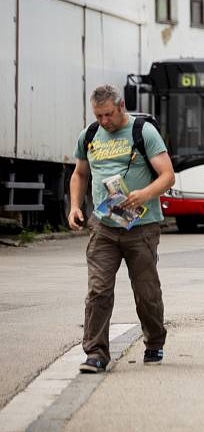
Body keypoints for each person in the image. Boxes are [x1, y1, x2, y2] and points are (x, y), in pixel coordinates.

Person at [68, 85, 175, 374]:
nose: (104, 121)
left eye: (108, 115)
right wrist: (75, 206)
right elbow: (79, 174)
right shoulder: (90, 135)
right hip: (103, 227)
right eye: (98, 115)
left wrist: (145, 194)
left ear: (121, 106)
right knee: (98, 290)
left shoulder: (144, 132)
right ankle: (96, 353)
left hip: (141, 227)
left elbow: (168, 175)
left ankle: (154, 341)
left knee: (146, 292)